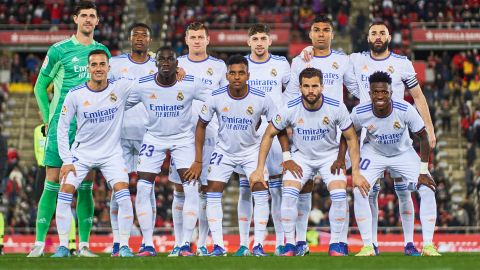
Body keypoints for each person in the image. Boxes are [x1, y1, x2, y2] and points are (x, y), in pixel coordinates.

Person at [250, 67, 366, 256]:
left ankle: (337, 244)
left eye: (314, 86)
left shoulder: (336, 106)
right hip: (301, 157)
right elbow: (269, 134)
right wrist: (261, 168)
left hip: (329, 156)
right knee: (288, 194)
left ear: (322, 86)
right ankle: (290, 244)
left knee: (338, 195)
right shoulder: (290, 107)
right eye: (306, 86)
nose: (310, 90)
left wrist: (355, 170)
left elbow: (352, 138)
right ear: (300, 87)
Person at [29, 1, 111, 258]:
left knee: (86, 184)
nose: (88, 19)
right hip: (60, 127)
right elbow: (39, 87)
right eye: (84, 15)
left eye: (92, 16)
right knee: (52, 181)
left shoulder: (102, 51)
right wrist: (46, 118)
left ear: (97, 21)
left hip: (90, 129)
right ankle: (39, 244)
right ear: (75, 19)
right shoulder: (58, 50)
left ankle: (84, 245)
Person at [185, 55, 278, 256]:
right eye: (233, 73)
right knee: (213, 191)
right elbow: (201, 126)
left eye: (241, 73)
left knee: (260, 189)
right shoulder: (216, 96)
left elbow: (276, 125)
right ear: (227, 75)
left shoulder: (261, 97)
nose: (237, 77)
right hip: (224, 152)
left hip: (251, 151)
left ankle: (258, 245)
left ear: (248, 75)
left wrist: (286, 156)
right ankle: (218, 245)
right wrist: (198, 160)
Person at [284, 15, 357, 255]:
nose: (322, 34)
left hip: (335, 141)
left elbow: (356, 90)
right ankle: (299, 242)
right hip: (305, 136)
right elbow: (289, 97)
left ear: (332, 34)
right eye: (317, 30)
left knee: (340, 193)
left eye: (326, 30)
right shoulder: (299, 61)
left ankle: (340, 242)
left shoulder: (343, 60)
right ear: (310, 34)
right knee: (302, 190)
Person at [127, 46, 210, 257]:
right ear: (156, 63)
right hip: (153, 138)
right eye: (162, 59)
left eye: (170, 59)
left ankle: (184, 245)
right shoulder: (143, 85)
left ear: (176, 63)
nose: (165, 62)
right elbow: (120, 103)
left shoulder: (190, 83)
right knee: (143, 189)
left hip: (183, 140)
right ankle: (147, 244)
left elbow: (215, 98)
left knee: (191, 188)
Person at [53, 49, 136, 257]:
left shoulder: (121, 87)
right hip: (82, 154)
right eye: (94, 65)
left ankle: (124, 245)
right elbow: (62, 128)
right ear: (88, 68)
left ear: (109, 67)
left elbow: (150, 80)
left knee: (124, 194)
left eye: (102, 64)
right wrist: (66, 160)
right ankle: (64, 246)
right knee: (64, 194)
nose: (98, 68)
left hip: (111, 154)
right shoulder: (75, 94)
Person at [348, 71, 440, 256]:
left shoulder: (405, 108)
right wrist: (351, 165)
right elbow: (349, 135)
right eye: (376, 92)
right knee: (359, 189)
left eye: (384, 92)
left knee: (427, 188)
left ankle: (428, 245)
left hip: (403, 153)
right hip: (373, 153)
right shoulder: (359, 112)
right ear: (370, 93)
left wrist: (423, 171)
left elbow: (423, 137)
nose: (380, 96)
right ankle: (368, 246)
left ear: (391, 92)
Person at [168, 21, 228, 256]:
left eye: (200, 37)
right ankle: (178, 241)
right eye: (192, 37)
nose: (196, 41)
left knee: (205, 189)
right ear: (186, 40)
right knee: (180, 189)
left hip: (211, 133)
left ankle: (202, 243)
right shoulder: (176, 64)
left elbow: (225, 100)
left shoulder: (219, 66)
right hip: (182, 134)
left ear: (207, 39)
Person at [233, 23, 291, 257]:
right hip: (248, 135)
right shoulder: (241, 67)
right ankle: (244, 244)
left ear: (270, 41)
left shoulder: (281, 64)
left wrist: (282, 118)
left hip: (274, 134)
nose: (259, 42)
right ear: (248, 42)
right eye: (255, 38)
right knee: (246, 189)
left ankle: (278, 243)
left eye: (263, 38)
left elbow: (293, 91)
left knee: (276, 189)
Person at [108, 22, 156, 257]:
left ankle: (148, 243)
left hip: (149, 136)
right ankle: (118, 241)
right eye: (135, 35)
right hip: (119, 135)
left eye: (143, 35)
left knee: (148, 191)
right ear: (129, 38)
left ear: (149, 40)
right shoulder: (115, 64)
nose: (139, 38)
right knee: (119, 190)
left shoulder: (159, 64)